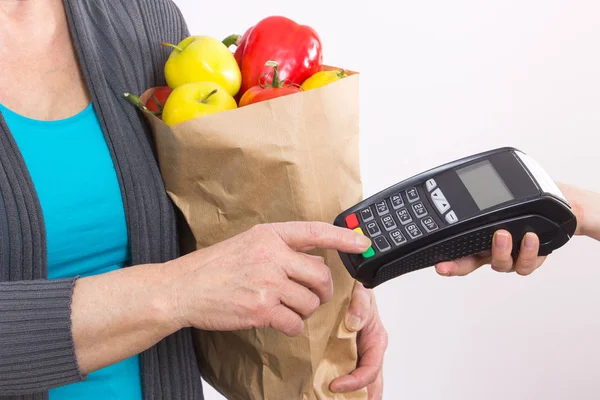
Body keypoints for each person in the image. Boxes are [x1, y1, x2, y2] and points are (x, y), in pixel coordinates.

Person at [0, 2, 593, 400]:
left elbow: (204, 209)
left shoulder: (138, 17)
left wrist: (338, 279)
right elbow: (192, 276)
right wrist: (174, 292)